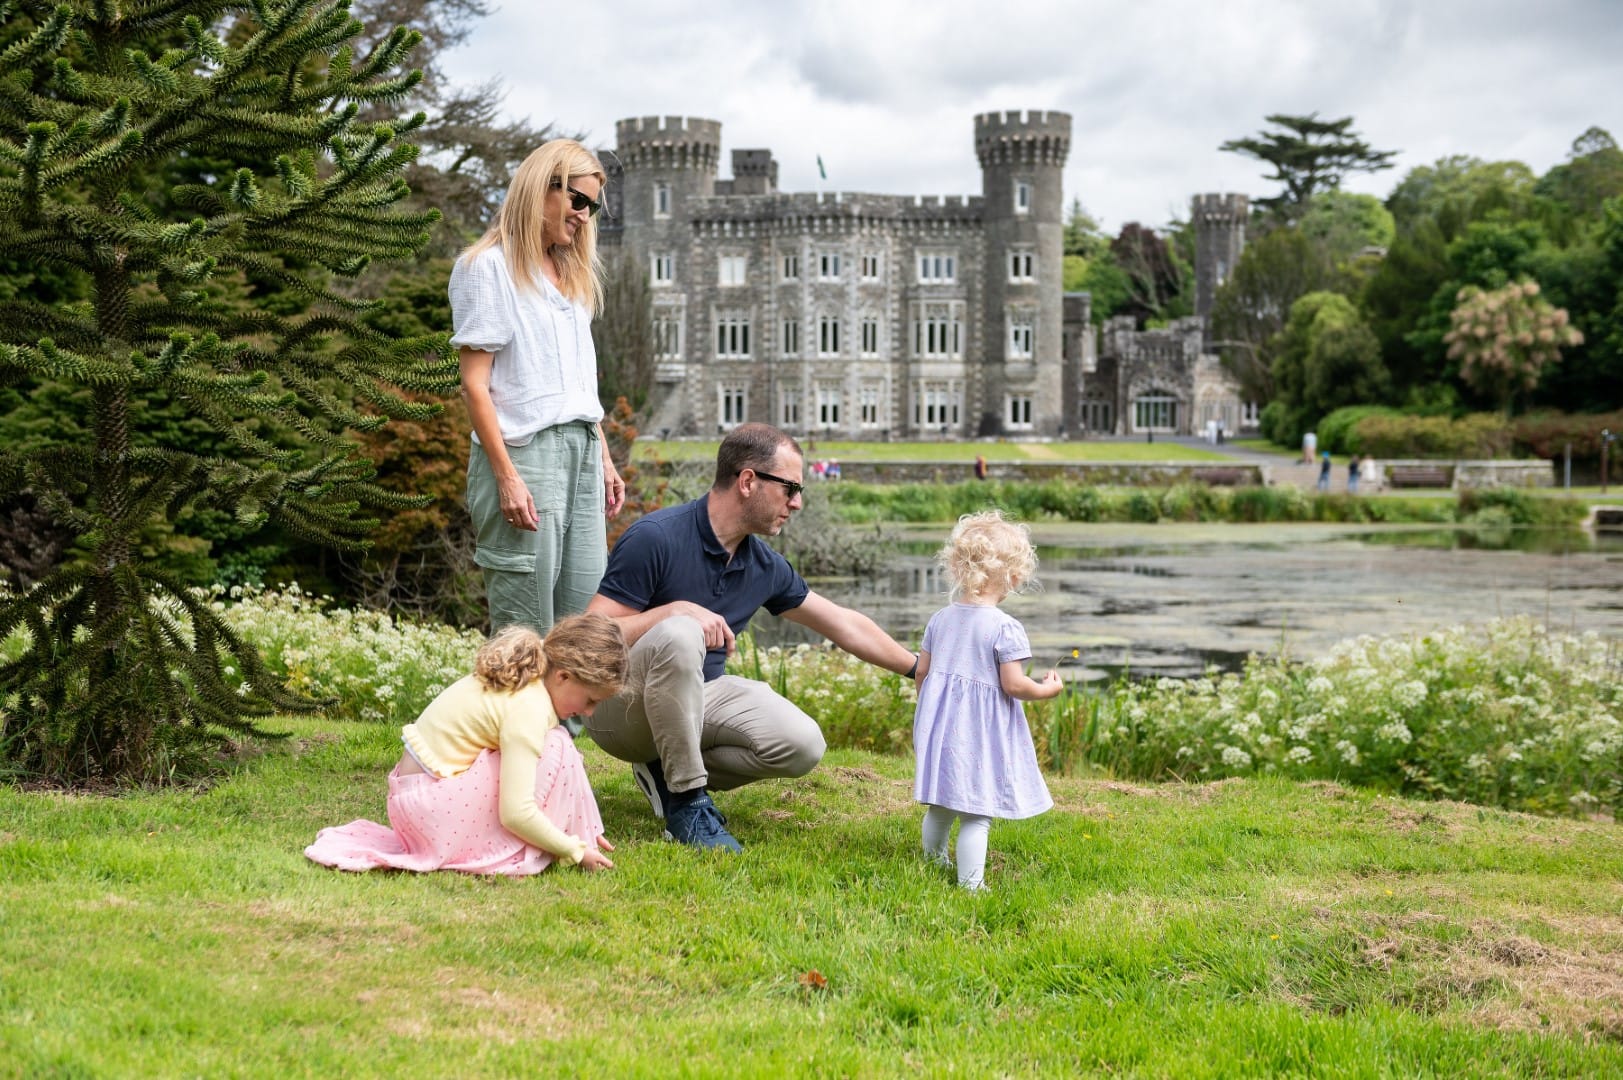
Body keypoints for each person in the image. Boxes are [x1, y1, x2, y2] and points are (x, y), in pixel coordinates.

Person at [583, 423, 918, 853]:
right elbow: (588, 636)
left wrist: (917, 667)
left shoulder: (764, 566)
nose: (796, 503)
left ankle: (666, 773)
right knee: (681, 632)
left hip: (697, 697)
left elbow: (842, 623)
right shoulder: (657, 538)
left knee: (802, 744)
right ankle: (685, 804)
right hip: (618, 707)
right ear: (747, 481)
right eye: (790, 488)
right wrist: (672, 612)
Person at [449, 139, 625, 635]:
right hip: (526, 455)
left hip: (583, 452)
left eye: (591, 207)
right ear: (541, 188)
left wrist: (605, 460)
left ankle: (565, 719)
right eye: (578, 201)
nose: (585, 217)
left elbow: (574, 382)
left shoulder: (571, 275)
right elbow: (475, 387)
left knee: (583, 627)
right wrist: (506, 477)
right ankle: (518, 716)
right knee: (525, 630)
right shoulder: (488, 268)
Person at [304, 614, 627, 876]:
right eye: (590, 700)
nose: (588, 713)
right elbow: (516, 812)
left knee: (558, 742)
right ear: (564, 677)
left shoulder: (535, 666)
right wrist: (572, 849)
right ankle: (538, 842)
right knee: (557, 748)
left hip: (416, 802)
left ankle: (568, 831)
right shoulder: (529, 708)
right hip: (432, 814)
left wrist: (581, 821)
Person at [913, 510, 1059, 891]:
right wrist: (1046, 690)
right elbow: (1013, 685)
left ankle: (932, 863)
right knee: (977, 813)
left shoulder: (940, 619)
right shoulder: (1005, 628)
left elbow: (922, 674)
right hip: (979, 733)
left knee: (941, 803)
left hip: (941, 726)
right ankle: (972, 885)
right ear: (1012, 576)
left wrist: (929, 713)